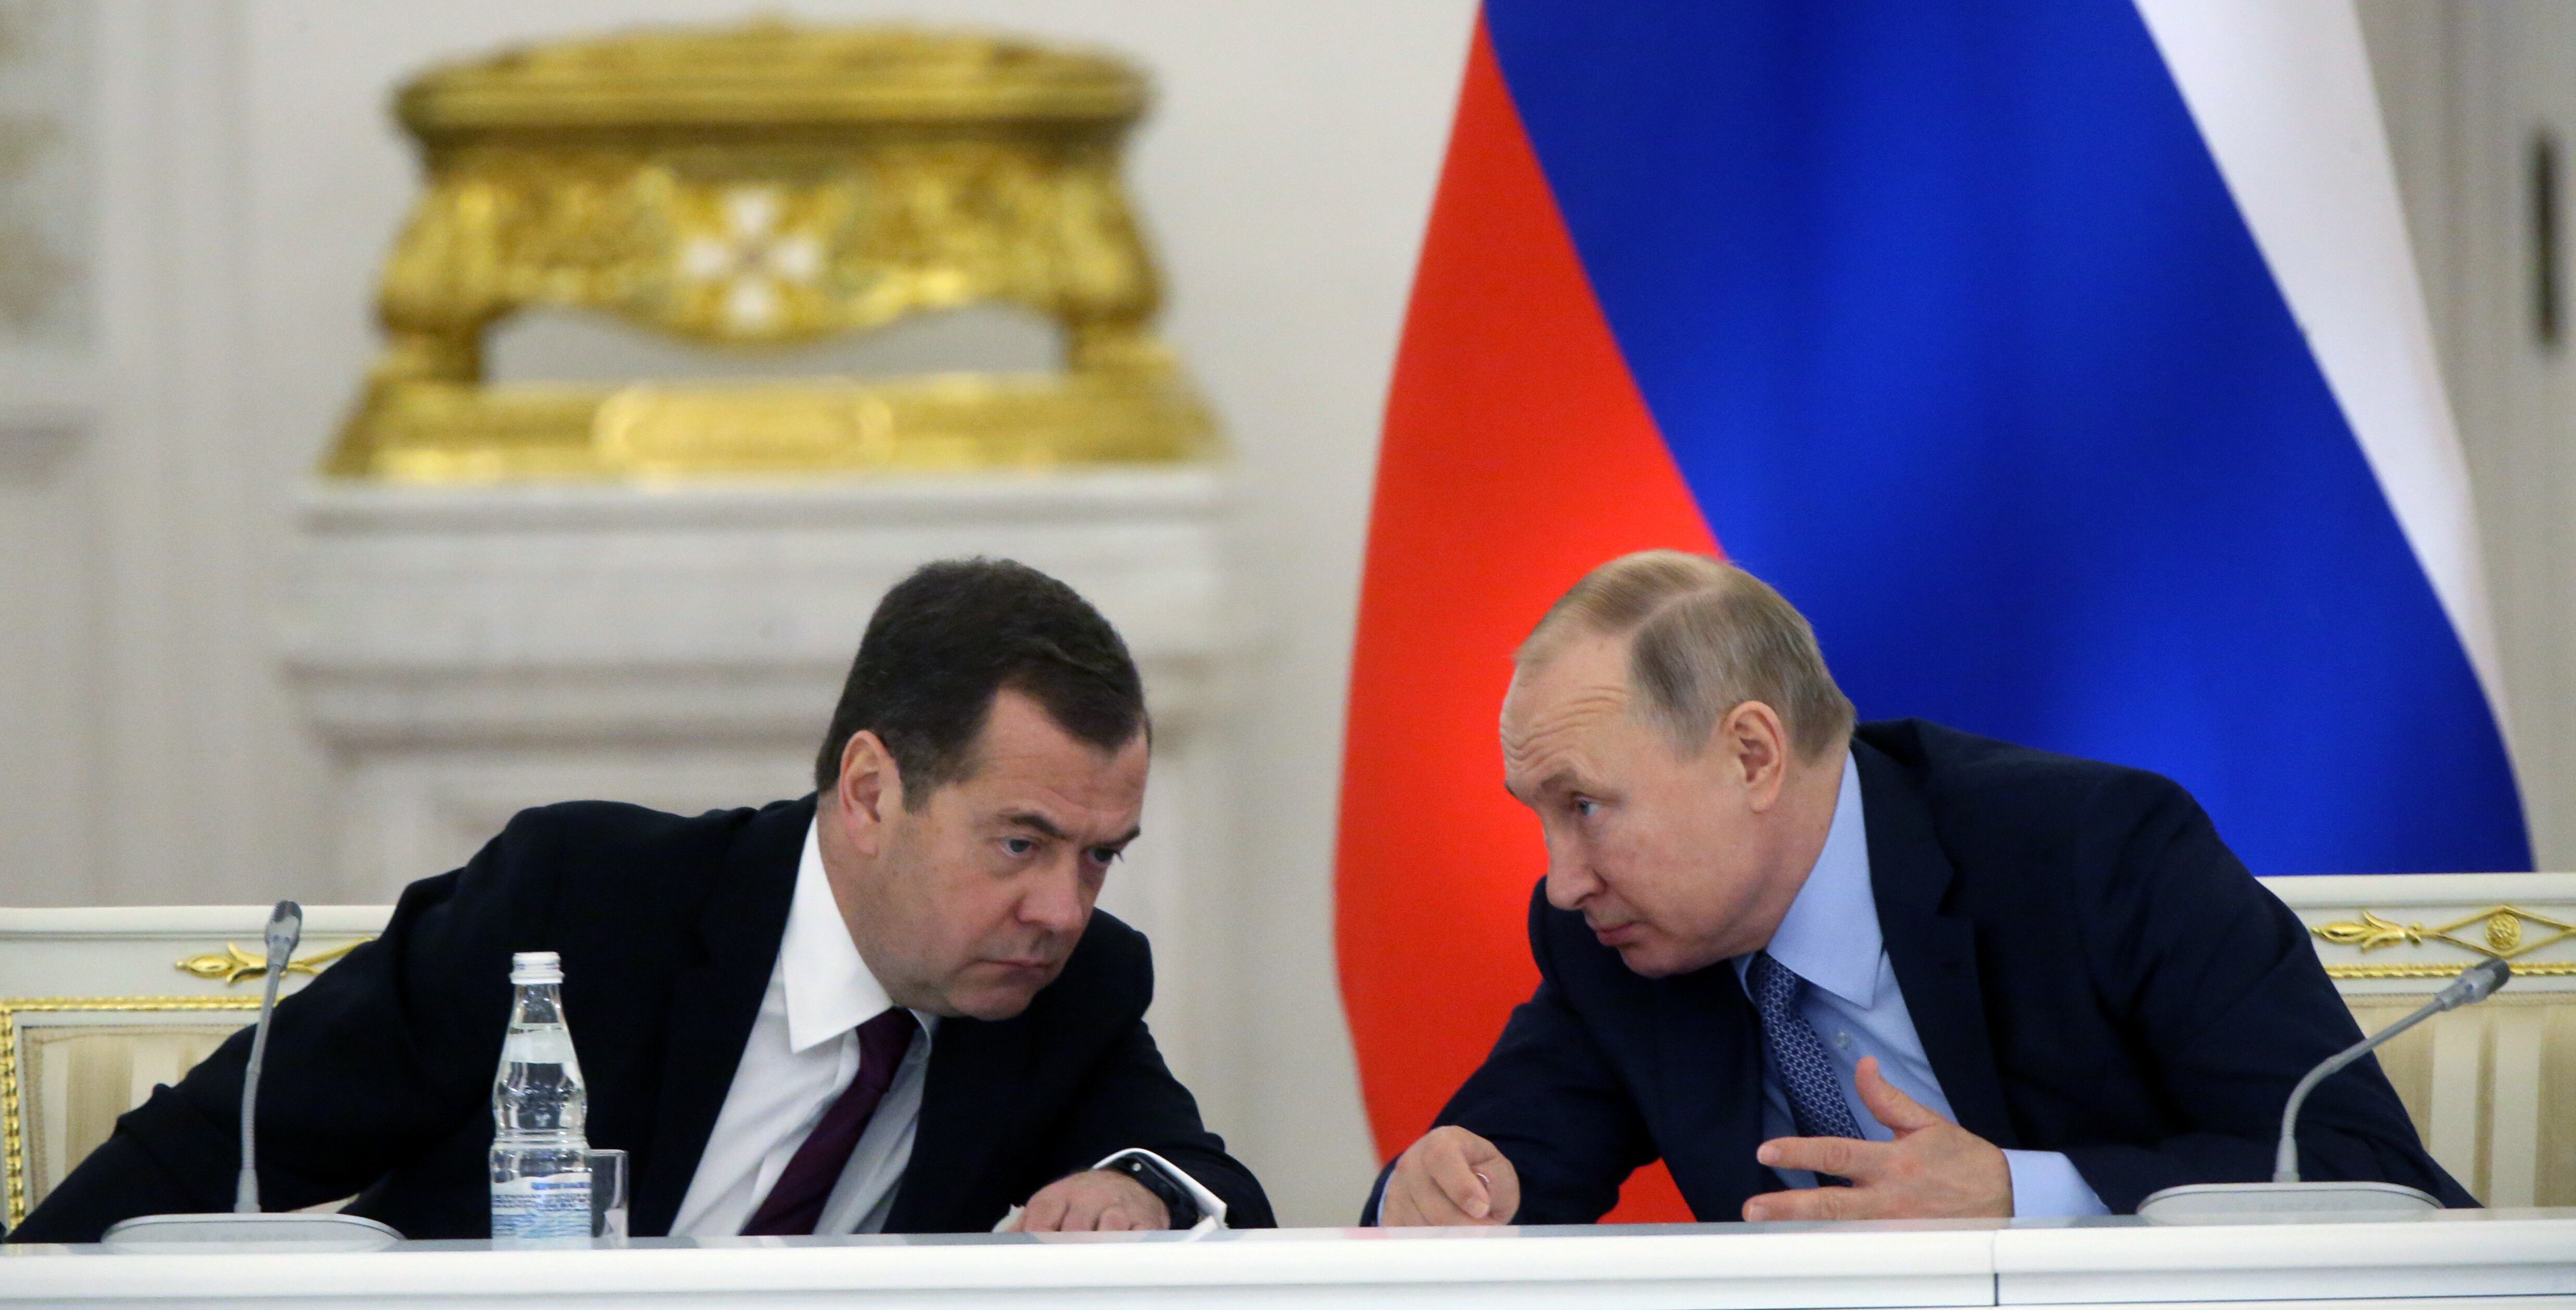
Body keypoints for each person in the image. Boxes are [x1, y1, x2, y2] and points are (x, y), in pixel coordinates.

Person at [20, 557, 1271, 1242]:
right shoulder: (588, 901)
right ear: (872, 790)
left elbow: (1211, 1182)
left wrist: (1141, 1190)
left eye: (1100, 853)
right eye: (1022, 842)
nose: (1062, 906)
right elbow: (226, 1143)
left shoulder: (1070, 987)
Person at [1369, 551, 2465, 1226]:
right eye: (1541, 818)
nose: (1562, 880)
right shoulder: (1614, 939)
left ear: (1751, 754)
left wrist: (2020, 1195)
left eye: (1587, 806)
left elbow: (2362, 1172)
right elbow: (1490, 1170)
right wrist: (1442, 1185)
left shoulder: (2088, 852)